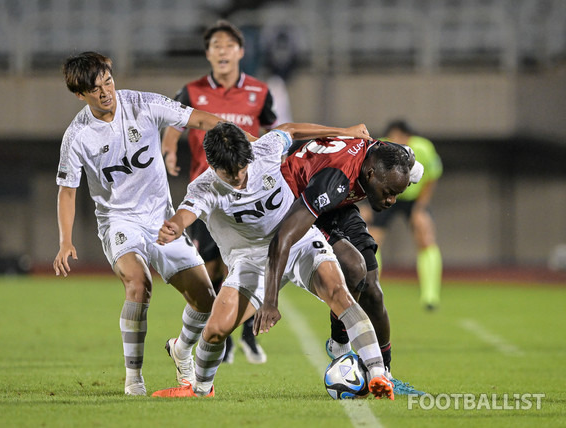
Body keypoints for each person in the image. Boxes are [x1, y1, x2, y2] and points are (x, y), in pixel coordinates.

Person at [152, 122, 394, 400]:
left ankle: (378, 374)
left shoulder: (264, 149)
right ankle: (201, 390)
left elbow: (291, 130)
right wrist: (174, 226)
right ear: (212, 165)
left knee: (341, 294)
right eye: (229, 174)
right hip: (251, 262)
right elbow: (185, 214)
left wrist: (344, 132)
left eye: (242, 168)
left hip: (299, 243)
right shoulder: (204, 188)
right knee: (216, 331)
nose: (239, 178)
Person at [53, 51, 230, 396]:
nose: (105, 91)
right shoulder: (77, 137)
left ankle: (180, 348)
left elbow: (196, 119)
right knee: (139, 281)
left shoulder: (143, 104)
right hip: (118, 221)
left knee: (206, 298)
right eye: (95, 88)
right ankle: (134, 378)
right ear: (80, 94)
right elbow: (67, 192)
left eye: (108, 81)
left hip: (161, 219)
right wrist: (65, 240)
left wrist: (236, 137)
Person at [254, 134, 427, 396]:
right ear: (369, 174)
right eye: (389, 192)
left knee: (372, 289)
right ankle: (339, 344)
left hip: (340, 204)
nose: (391, 201)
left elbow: (411, 166)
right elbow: (283, 237)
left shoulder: (391, 158)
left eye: (397, 193)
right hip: (299, 200)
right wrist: (270, 300)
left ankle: (385, 375)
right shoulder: (335, 179)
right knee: (353, 267)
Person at [161, 19, 277, 365]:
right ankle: (220, 336)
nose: (223, 51)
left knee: (243, 267)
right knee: (210, 270)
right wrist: (169, 150)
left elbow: (273, 130)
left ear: (241, 51)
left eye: (229, 45)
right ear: (208, 54)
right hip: (207, 197)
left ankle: (244, 336)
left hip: (248, 193)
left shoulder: (260, 91)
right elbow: (174, 122)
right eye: (216, 46)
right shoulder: (192, 91)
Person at [367, 120, 443, 311]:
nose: (397, 141)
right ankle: (372, 288)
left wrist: (420, 208)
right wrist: (369, 203)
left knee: (425, 236)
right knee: (372, 240)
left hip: (413, 199)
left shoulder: (424, 148)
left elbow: (432, 177)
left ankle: (430, 296)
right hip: (387, 195)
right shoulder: (380, 147)